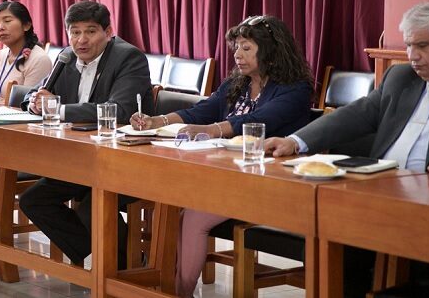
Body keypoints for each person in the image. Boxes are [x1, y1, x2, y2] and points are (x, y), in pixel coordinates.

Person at [265, 1, 429, 296]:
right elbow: (358, 113)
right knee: (329, 241)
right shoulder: (400, 77)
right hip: (379, 193)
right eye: (409, 45)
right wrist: (295, 140)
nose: (412, 56)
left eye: (423, 46)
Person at [129, 15, 313, 297]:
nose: (237, 54)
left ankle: (178, 293)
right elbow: (202, 110)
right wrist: (158, 121)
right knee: (167, 204)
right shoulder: (237, 83)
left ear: (271, 51)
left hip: (270, 182)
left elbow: (258, 120)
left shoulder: (296, 89)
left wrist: (212, 130)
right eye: (236, 47)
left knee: (194, 218)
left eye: (246, 48)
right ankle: (161, 285)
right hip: (224, 175)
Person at [18, 0, 154, 270]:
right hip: (81, 160)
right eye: (75, 32)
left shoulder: (128, 57)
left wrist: (56, 108)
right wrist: (34, 102)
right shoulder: (66, 56)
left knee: (94, 205)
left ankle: (124, 269)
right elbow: (39, 93)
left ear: (108, 32)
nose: (81, 40)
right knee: (33, 200)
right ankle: (106, 258)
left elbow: (120, 110)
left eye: (90, 31)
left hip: (126, 160)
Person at [0, 1, 52, 104]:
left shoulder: (39, 59)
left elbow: (27, 104)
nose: (1, 27)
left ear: (26, 25)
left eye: (7, 21)